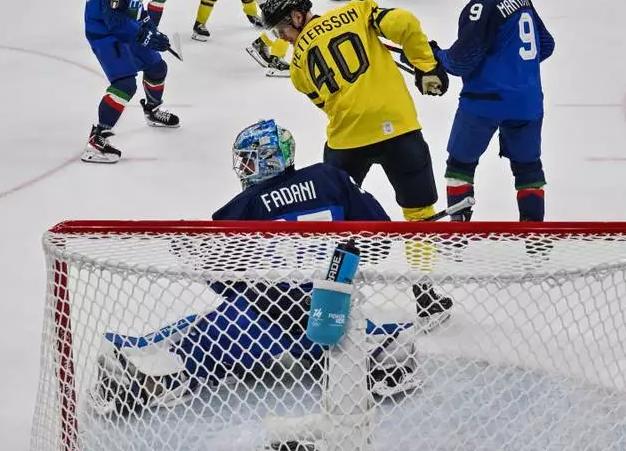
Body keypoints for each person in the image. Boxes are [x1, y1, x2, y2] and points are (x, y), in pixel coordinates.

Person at [89, 119, 431, 416]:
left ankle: (153, 375)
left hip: (263, 320)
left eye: (248, 161)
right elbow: (381, 238)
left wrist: (196, 255)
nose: (243, 169)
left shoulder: (242, 207)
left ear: (268, 159)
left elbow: (228, 283)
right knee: (358, 333)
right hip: (332, 312)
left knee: (198, 338)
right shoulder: (331, 178)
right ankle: (381, 352)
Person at [262, 0, 454, 316]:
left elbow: (325, 102)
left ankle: (333, 296)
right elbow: (406, 23)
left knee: (340, 219)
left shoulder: (297, 67)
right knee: (419, 215)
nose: (283, 37)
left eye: (282, 28)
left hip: (346, 142)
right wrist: (427, 66)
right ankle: (425, 294)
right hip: (399, 131)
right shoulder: (357, 11)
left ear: (297, 16)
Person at [436, 0, 555, 222]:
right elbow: (546, 45)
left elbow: (460, 62)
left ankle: (459, 235)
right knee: (528, 169)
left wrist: (436, 55)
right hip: (527, 102)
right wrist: (513, 67)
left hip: (484, 102)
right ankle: (534, 235)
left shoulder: (480, 6)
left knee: (460, 165)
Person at [81, 0, 179, 164]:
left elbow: (135, 6)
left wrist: (149, 26)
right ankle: (97, 139)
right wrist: (144, 35)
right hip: (104, 33)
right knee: (124, 84)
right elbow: (113, 19)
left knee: (157, 68)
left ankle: (152, 110)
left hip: (125, 27)